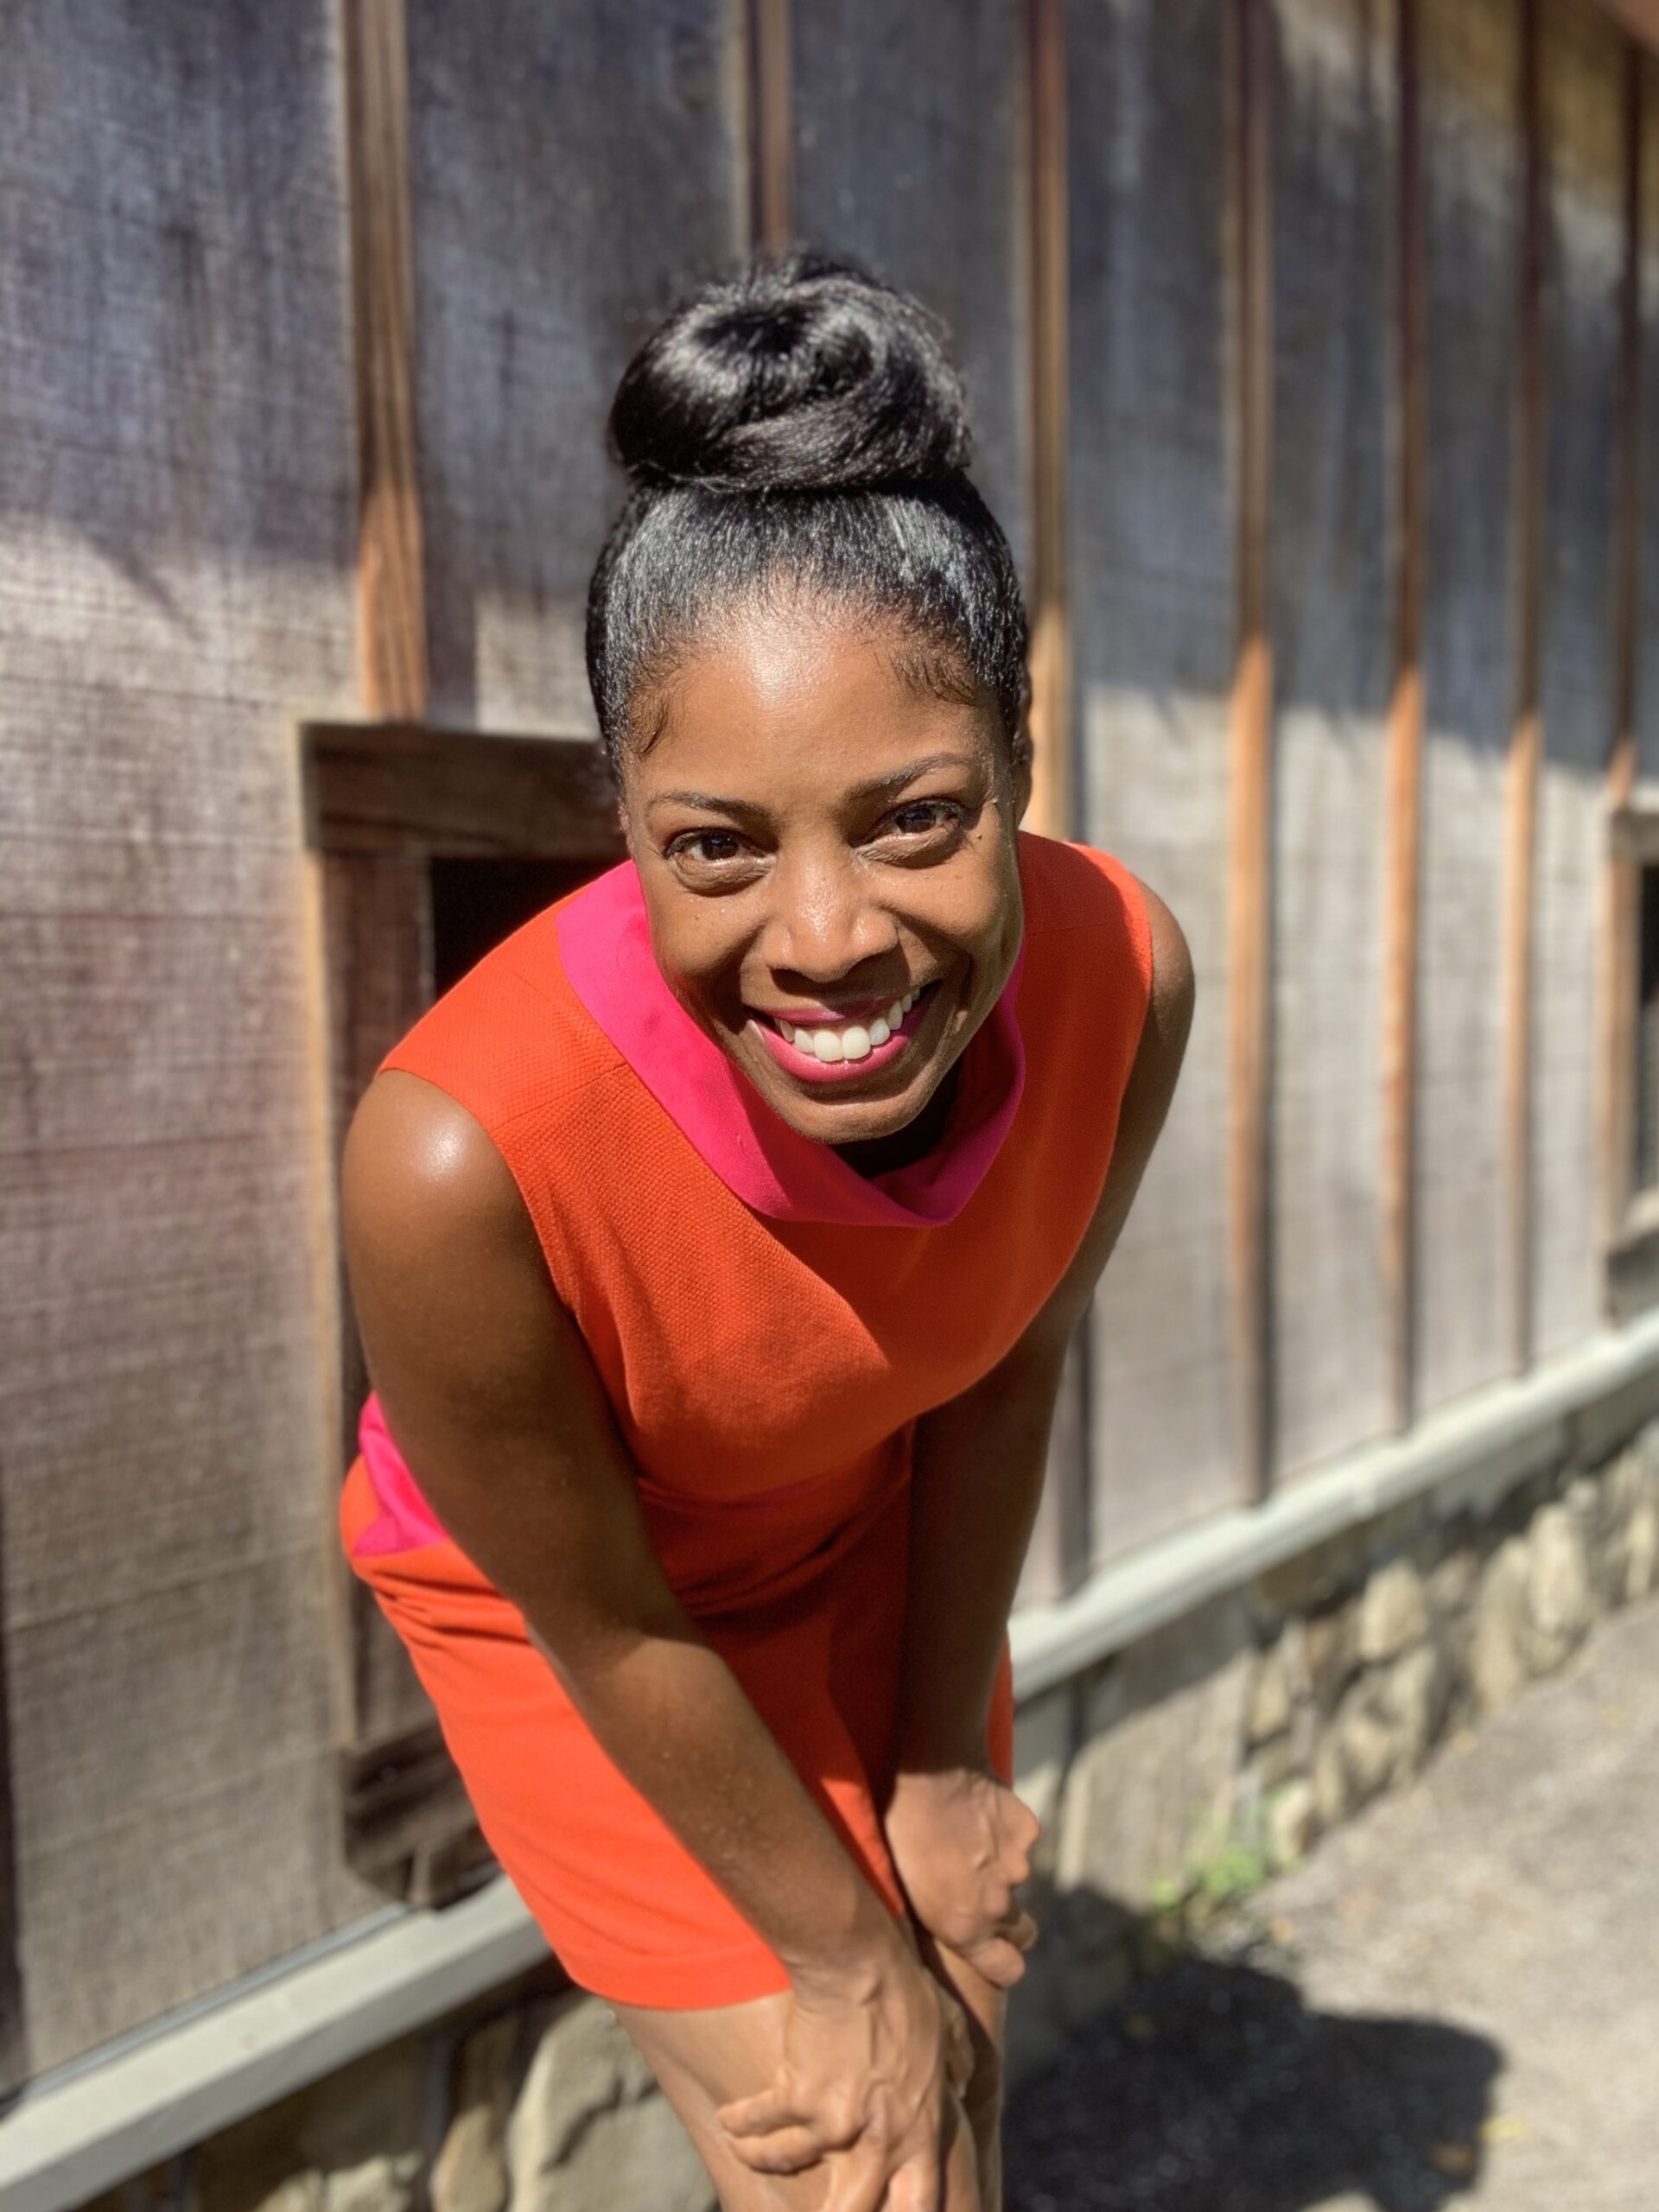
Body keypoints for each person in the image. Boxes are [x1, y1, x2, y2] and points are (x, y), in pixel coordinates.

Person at [338, 251, 1192, 2212]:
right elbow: (604, 1606)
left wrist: (940, 1765)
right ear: (621, 817)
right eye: (716, 845)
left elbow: (1012, 1348)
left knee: (952, 2055)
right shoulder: (460, 1156)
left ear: (1022, 767)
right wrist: (828, 1942)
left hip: (874, 1524)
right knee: (871, 2162)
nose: (826, 940)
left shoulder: (1125, 978)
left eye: (914, 818)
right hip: (589, 1621)